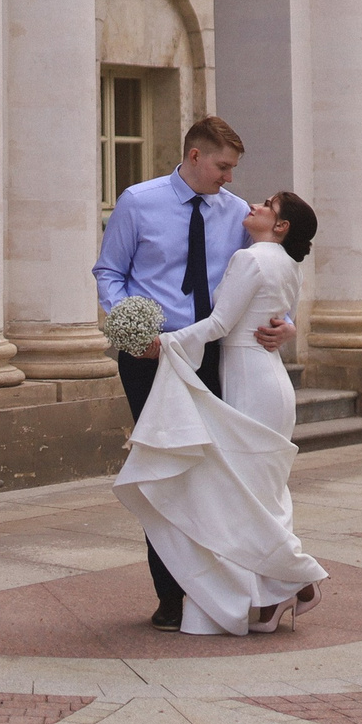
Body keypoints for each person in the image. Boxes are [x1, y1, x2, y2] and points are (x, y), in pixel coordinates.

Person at [94, 115, 293, 631]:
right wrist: (127, 326)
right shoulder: (138, 201)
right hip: (147, 360)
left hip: (214, 359)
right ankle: (171, 596)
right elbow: (110, 271)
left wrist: (284, 324)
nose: (229, 178)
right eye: (223, 167)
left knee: (216, 475)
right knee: (165, 474)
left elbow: (264, 280)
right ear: (195, 156)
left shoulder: (237, 216)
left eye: (233, 169)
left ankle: (219, 589)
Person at [113, 190, 329, 636]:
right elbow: (277, 315)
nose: (253, 206)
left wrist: (163, 345)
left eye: (267, 205)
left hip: (249, 380)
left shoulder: (249, 259)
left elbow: (218, 325)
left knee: (245, 497)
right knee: (261, 494)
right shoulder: (289, 264)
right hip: (271, 379)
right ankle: (273, 597)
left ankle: (300, 577)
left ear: (281, 225)